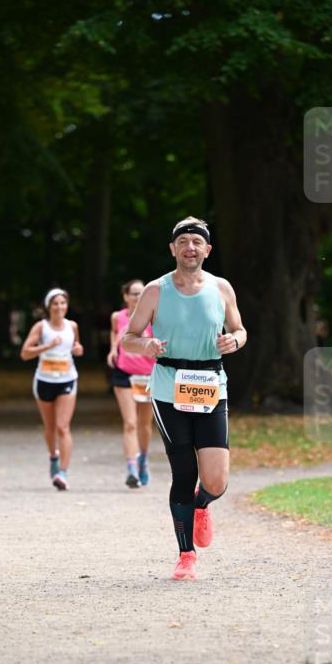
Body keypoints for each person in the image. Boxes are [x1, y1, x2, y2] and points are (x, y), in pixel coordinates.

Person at [123, 216, 247, 581]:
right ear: (173, 249)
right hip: (168, 386)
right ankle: (185, 555)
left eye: (197, 241)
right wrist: (145, 343)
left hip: (211, 384)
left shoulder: (222, 288)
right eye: (183, 241)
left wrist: (234, 341)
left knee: (217, 481)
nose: (190, 247)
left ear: (207, 250)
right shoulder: (155, 291)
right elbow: (129, 337)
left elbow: (239, 329)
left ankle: (202, 504)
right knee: (183, 470)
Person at [20, 287, 84, 490]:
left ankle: (63, 474)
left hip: (67, 379)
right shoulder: (41, 327)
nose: (59, 307)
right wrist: (47, 346)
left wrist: (78, 349)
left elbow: (77, 347)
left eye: (63, 303)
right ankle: (53, 456)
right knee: (49, 427)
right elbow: (25, 353)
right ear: (49, 307)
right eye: (55, 303)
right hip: (44, 381)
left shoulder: (72, 326)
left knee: (62, 427)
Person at [107, 279, 155, 488]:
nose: (137, 297)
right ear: (125, 296)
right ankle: (132, 469)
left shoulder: (153, 317)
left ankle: (143, 460)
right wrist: (112, 350)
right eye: (134, 293)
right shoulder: (117, 317)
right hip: (124, 374)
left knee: (144, 425)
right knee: (130, 423)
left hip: (148, 376)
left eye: (141, 293)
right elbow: (115, 333)